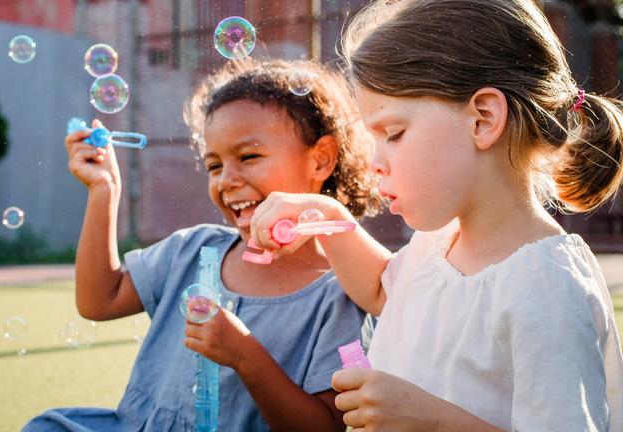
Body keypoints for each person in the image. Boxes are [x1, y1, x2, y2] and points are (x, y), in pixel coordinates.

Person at [248, 1, 623, 430]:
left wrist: (433, 421)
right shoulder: (439, 242)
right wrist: (328, 217)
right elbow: (382, 292)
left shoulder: (546, 286)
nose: (375, 161)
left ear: (483, 119)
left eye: (393, 133)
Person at [21, 58, 384, 431]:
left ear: (321, 159)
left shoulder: (341, 296)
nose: (226, 180)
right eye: (214, 165)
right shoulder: (194, 250)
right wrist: (104, 190)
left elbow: (324, 426)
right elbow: (99, 300)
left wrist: (244, 355)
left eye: (248, 157)